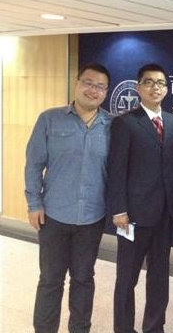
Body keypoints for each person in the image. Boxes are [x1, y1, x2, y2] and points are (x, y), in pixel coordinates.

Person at [24, 62, 113, 333]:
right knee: (51, 280)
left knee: (83, 279)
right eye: (88, 83)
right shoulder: (49, 119)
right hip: (54, 215)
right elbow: (34, 164)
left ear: (106, 92)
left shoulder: (113, 125)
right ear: (77, 83)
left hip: (92, 217)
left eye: (100, 86)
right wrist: (34, 203)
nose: (93, 90)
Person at [107, 63, 173, 333]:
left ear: (167, 89)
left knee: (159, 277)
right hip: (133, 216)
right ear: (138, 88)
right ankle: (123, 329)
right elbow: (116, 170)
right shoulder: (125, 122)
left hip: (164, 216)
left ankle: (154, 327)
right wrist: (119, 209)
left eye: (160, 83)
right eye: (149, 82)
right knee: (127, 278)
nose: (155, 87)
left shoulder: (172, 122)